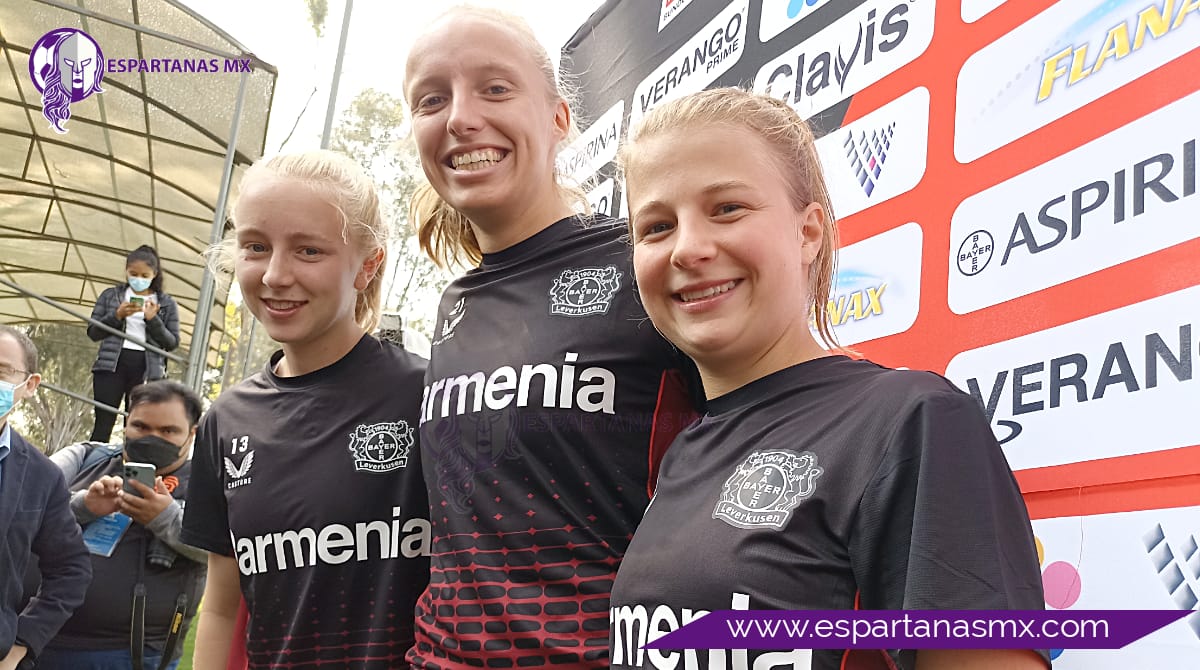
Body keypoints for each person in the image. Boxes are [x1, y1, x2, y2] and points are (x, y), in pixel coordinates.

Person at [609, 87, 1050, 669]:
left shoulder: (910, 422)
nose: (688, 248)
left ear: (808, 231)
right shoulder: (680, 451)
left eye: (727, 209)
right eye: (658, 227)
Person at [403, 8, 698, 667]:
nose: (460, 117)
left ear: (560, 118)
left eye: (495, 88)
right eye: (432, 98)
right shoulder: (457, 302)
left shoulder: (642, 266)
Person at [181, 150, 429, 669]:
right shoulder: (226, 421)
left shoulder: (428, 393)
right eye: (255, 246)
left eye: (308, 251)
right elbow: (224, 608)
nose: (274, 275)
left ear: (368, 266)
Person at [29, 380, 207, 670]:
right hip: (35, 636)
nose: (152, 438)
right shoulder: (85, 457)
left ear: (192, 433)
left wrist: (165, 519)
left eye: (168, 431)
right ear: (126, 423)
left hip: (132, 654)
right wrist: (82, 507)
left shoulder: (208, 484)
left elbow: (223, 549)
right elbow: (25, 505)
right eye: (141, 426)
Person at [0, 325, 91, 670]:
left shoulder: (41, 476)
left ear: (30, 385)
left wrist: (22, 642)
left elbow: (71, 568)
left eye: (1, 371)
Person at [87, 245, 180, 443]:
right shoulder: (111, 296)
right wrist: (117, 316)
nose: (138, 279)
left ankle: (129, 470)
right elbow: (93, 332)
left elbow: (172, 342)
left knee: (137, 425)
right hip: (111, 365)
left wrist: (153, 320)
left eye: (144, 275)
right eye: (133, 273)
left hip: (147, 369)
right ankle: (93, 466)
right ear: (126, 271)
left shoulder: (166, 303)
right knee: (103, 423)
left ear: (154, 274)